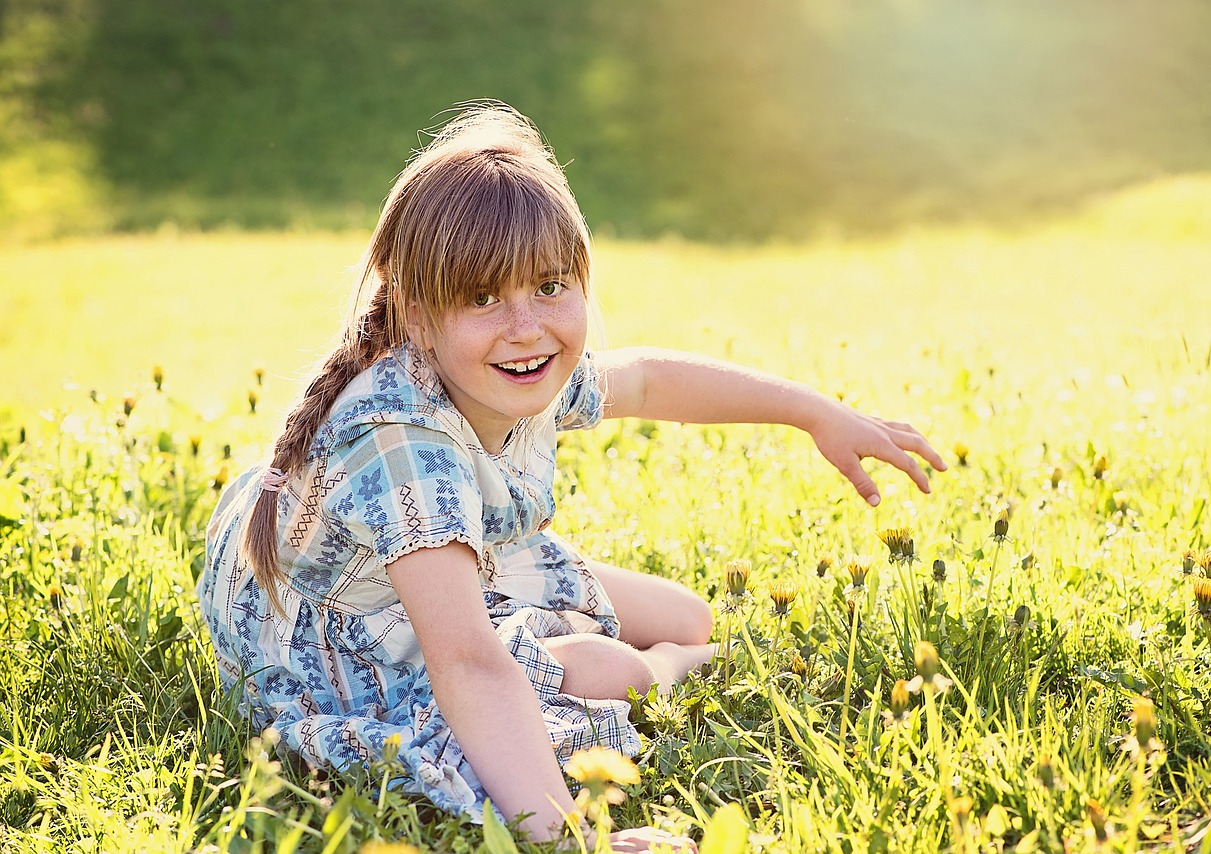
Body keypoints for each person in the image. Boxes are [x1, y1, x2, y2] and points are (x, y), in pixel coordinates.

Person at [199, 102, 945, 851]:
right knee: (606, 667)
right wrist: (573, 842)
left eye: (551, 286)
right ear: (418, 317)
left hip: (430, 563)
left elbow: (649, 381)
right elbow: (465, 661)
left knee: (689, 612)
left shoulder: (510, 369)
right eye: (484, 298)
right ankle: (669, 672)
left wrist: (815, 413)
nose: (526, 326)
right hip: (347, 636)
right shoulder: (405, 447)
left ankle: (672, 651)